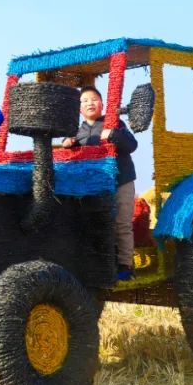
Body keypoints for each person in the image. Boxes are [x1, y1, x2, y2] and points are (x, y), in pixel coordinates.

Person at [62, 85, 139, 281]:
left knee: (122, 223)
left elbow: (132, 145)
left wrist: (113, 135)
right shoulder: (77, 132)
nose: (90, 103)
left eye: (94, 99)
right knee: (99, 224)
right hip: (96, 186)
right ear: (79, 109)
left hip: (121, 180)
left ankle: (125, 266)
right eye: (85, 101)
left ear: (102, 104)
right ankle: (102, 264)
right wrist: (69, 144)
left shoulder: (114, 123)